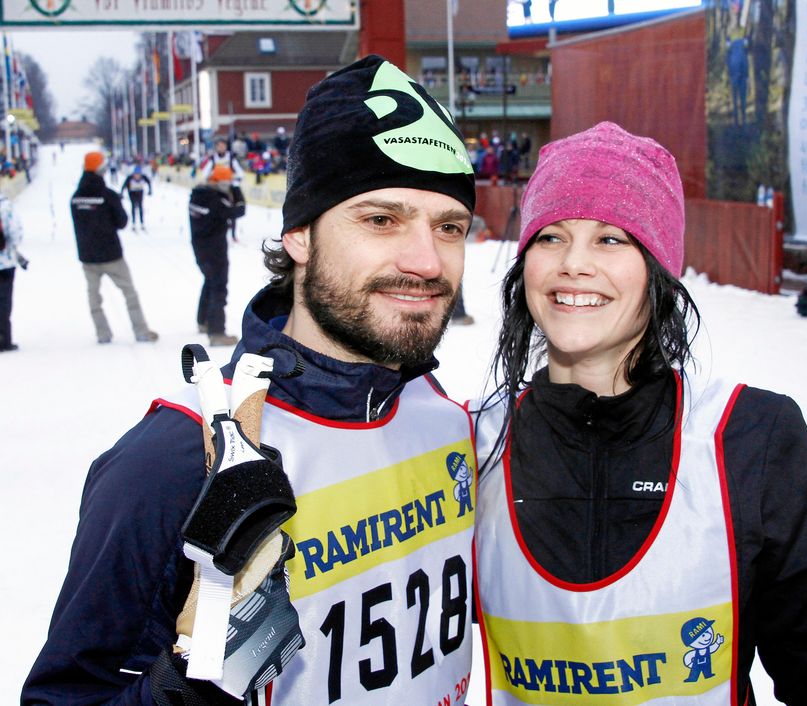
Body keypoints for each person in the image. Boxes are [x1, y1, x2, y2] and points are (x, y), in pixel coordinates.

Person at [24, 54, 478, 705]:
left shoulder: (447, 420)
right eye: (381, 220)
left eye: (450, 227)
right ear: (299, 235)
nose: (426, 260)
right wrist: (192, 685)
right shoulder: (177, 461)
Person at [471, 122, 807, 705]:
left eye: (610, 239)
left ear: (659, 267)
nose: (573, 263)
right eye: (551, 236)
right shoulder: (473, 444)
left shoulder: (749, 436)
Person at [69, 151, 158, 345]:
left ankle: (102, 334)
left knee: (93, 296)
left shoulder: (76, 197)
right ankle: (141, 331)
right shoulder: (108, 195)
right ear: (101, 169)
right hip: (111, 255)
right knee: (129, 293)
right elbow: (122, 222)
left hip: (87, 256)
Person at [188, 163, 246, 346]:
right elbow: (238, 211)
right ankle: (217, 332)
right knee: (218, 287)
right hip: (214, 250)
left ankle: (203, 321)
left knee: (209, 281)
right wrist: (237, 192)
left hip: (200, 247)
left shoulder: (199, 195)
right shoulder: (214, 200)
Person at [0, 192, 27, 352]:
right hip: (5, 263)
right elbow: (16, 233)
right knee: (3, 302)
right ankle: (4, 339)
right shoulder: (5, 206)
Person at [120, 164, 154, 232]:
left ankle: (142, 223)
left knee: (140, 207)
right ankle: (133, 223)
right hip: (132, 193)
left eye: (139, 174)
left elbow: (149, 183)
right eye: (136, 174)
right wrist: (121, 193)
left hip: (140, 192)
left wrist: (150, 190)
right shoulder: (130, 178)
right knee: (133, 206)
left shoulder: (143, 177)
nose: (137, 176)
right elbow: (124, 185)